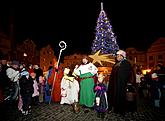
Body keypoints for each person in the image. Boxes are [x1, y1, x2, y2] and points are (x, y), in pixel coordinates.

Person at [107, 50, 136, 116]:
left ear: (123, 56)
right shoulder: (116, 64)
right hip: (115, 84)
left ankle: (121, 110)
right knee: (115, 96)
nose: (117, 57)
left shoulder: (126, 63)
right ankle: (115, 108)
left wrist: (123, 81)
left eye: (119, 55)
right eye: (117, 55)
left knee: (121, 97)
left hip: (122, 84)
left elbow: (126, 74)